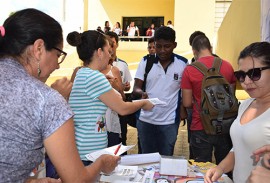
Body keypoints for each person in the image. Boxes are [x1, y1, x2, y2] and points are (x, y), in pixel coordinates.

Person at [0, 8, 120, 183]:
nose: (57, 66)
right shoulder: (46, 99)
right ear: (38, 48)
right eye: (58, 55)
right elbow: (76, 180)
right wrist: (102, 162)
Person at [67, 30, 154, 166]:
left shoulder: (82, 73)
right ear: (99, 52)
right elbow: (122, 108)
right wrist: (143, 103)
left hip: (82, 148)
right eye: (108, 50)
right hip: (88, 152)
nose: (110, 54)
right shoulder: (95, 77)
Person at [204, 41, 270, 183]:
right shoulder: (245, 105)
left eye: (254, 73)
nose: (246, 81)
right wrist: (220, 168)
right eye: (241, 75)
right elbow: (238, 148)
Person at [133, 26, 188, 156]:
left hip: (169, 123)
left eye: (167, 46)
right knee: (147, 159)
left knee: (166, 159)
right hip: (146, 121)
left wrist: (183, 109)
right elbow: (136, 87)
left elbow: (184, 91)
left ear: (174, 45)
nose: (162, 50)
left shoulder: (183, 64)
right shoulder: (146, 61)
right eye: (158, 46)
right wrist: (141, 93)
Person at [181, 35, 235, 166]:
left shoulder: (190, 70)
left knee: (200, 168)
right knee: (225, 167)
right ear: (210, 48)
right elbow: (231, 96)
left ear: (194, 51)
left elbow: (187, 103)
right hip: (225, 125)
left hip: (201, 125)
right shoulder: (227, 66)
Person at [105, 31, 133, 148]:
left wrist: (120, 87)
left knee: (119, 146)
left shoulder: (120, 66)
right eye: (107, 44)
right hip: (97, 123)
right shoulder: (84, 71)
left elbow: (123, 93)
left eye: (113, 44)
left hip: (116, 114)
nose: (110, 48)